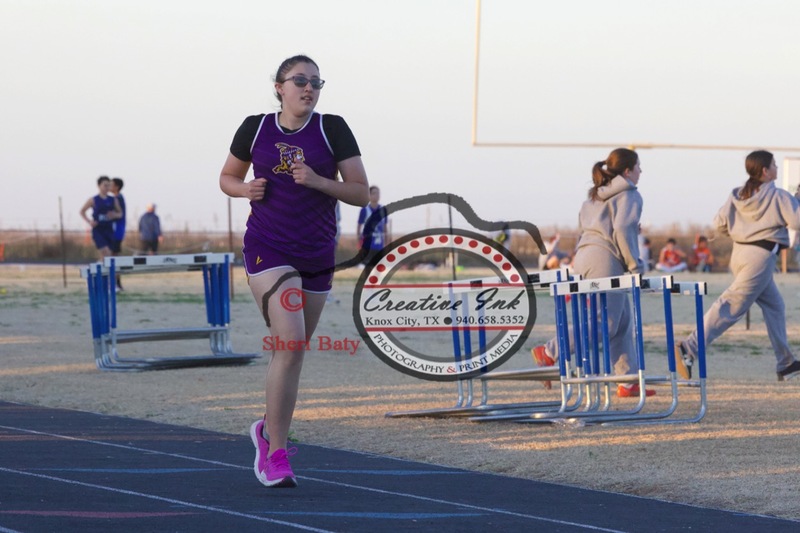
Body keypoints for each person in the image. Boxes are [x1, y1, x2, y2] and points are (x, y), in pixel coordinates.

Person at [219, 54, 369, 488]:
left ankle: (268, 428)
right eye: (300, 80)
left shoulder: (332, 127)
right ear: (279, 87)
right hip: (268, 247)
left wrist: (321, 181)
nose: (309, 88)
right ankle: (276, 454)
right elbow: (227, 177)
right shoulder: (255, 127)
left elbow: (360, 192)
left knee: (295, 349)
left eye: (316, 82)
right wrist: (245, 188)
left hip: (317, 253)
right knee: (288, 343)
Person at [532, 148, 652, 397]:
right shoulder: (630, 194)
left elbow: (593, 228)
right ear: (628, 171)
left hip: (585, 257)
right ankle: (550, 351)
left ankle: (627, 381)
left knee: (621, 322)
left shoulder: (594, 196)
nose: (641, 171)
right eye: (639, 166)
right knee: (605, 324)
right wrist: (636, 267)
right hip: (606, 261)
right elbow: (622, 230)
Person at [675, 150, 800, 382]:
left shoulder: (737, 195)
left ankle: (786, 363)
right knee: (729, 306)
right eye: (774, 164)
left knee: (775, 306)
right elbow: (797, 221)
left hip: (740, 252)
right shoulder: (778, 196)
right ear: (765, 171)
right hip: (760, 258)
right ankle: (689, 347)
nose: (777, 168)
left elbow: (719, 224)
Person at [80, 176, 121, 260]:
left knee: (107, 255)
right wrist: (90, 221)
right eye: (105, 185)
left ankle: (101, 271)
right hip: (98, 229)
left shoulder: (113, 200)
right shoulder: (93, 199)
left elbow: (120, 213)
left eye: (109, 185)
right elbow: (82, 211)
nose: (107, 188)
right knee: (105, 252)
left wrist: (114, 215)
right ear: (99, 186)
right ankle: (103, 271)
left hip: (109, 230)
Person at [356, 185, 389, 266]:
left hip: (379, 243)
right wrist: (359, 241)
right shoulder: (364, 210)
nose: (377, 195)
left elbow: (385, 228)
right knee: (366, 265)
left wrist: (386, 243)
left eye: (378, 193)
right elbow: (359, 226)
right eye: (374, 193)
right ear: (369, 195)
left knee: (377, 265)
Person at [110, 177, 126, 291]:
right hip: (115, 232)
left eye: (111, 184)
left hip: (116, 232)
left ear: (116, 187)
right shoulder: (117, 198)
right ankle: (116, 283)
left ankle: (116, 283)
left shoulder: (117, 199)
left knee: (113, 258)